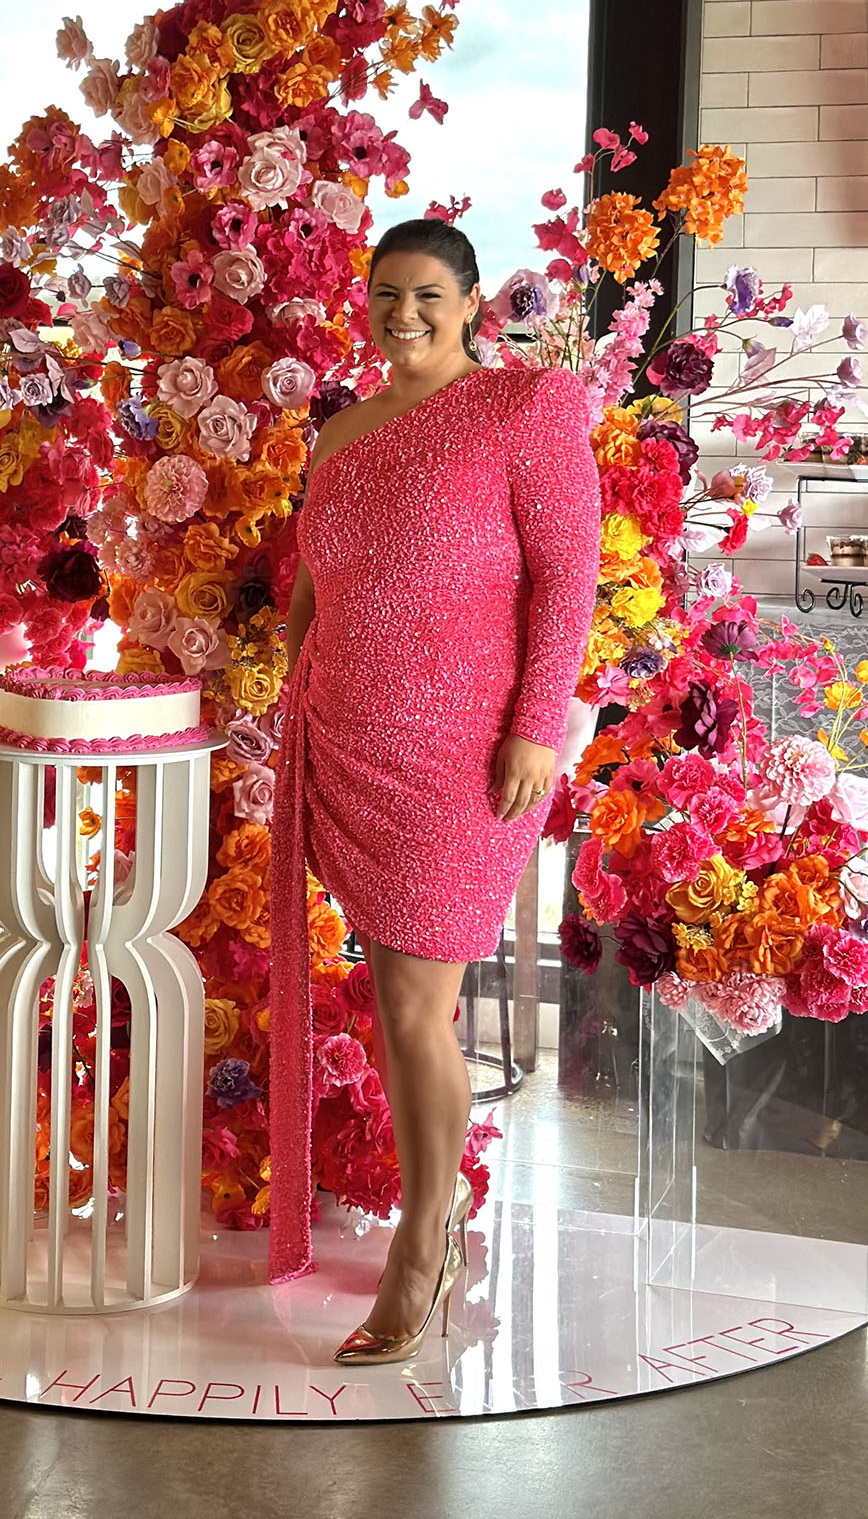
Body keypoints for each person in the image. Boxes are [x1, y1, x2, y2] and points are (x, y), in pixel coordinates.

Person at [267, 217, 601, 1365]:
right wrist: (295, 687)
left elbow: (568, 576)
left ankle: (424, 1238)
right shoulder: (341, 431)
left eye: (425, 295)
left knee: (414, 1003)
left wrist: (537, 730)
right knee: (401, 1001)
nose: (402, 314)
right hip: (346, 739)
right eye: (385, 295)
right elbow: (314, 578)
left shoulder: (526, 405)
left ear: (469, 305)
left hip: (466, 756)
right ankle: (436, 1201)